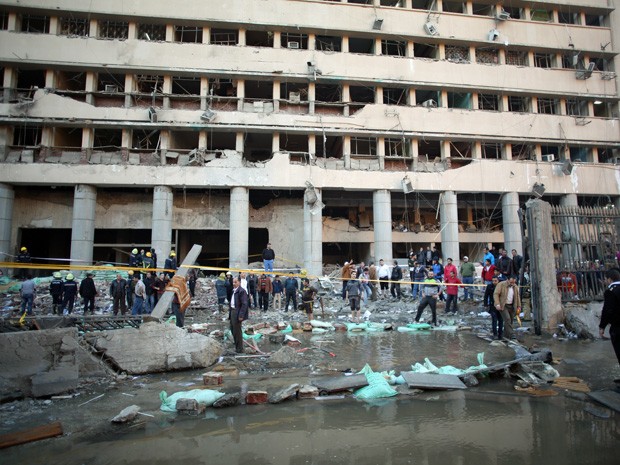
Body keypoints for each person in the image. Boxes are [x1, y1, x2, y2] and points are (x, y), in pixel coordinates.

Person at [599, 268, 620, 372]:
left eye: (606, 279)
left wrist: (602, 326)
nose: (606, 281)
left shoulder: (610, 291)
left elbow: (607, 310)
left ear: (610, 279)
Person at [493, 275, 521, 340]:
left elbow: (517, 297)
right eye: (511, 282)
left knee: (510, 321)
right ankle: (512, 334)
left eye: (514, 282)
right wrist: (497, 304)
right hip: (503, 305)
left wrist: (519, 306)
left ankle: (506, 336)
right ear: (507, 280)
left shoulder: (515, 287)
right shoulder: (501, 285)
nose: (512, 284)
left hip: (512, 306)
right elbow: (496, 294)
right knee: (507, 319)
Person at [229, 276, 249, 354]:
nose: (234, 283)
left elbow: (244, 304)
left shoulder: (242, 291)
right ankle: (237, 346)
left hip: (237, 312)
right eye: (233, 282)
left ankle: (239, 349)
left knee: (237, 331)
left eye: (236, 282)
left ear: (239, 282)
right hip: (233, 311)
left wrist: (241, 315)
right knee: (232, 329)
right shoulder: (234, 291)